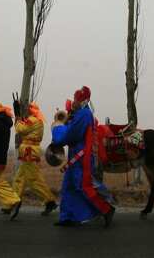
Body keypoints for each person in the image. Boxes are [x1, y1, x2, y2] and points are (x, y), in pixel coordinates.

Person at [50, 86, 115, 227]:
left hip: (82, 158)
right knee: (68, 187)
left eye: (75, 99)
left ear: (82, 100)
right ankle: (67, 217)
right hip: (76, 157)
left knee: (83, 186)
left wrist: (57, 127)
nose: (73, 102)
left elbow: (70, 135)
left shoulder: (84, 115)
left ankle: (106, 209)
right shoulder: (80, 114)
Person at [12, 101, 58, 216]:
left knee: (33, 180)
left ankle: (49, 201)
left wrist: (17, 118)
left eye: (28, 109)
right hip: (30, 151)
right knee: (20, 178)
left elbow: (20, 129)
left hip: (29, 152)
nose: (27, 110)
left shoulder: (33, 120)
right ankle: (13, 202)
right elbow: (26, 128)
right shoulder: (37, 120)